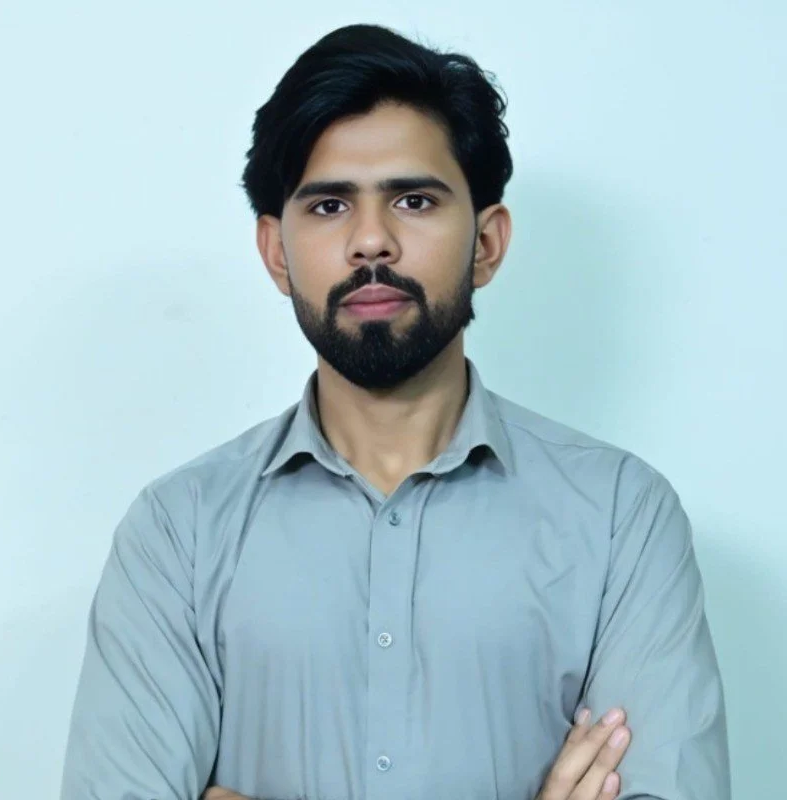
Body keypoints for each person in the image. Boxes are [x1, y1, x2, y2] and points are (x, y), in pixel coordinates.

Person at [59, 23, 731, 800]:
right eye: (328, 206)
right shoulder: (178, 532)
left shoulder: (622, 518)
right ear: (276, 252)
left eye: (414, 200)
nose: (370, 241)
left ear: (486, 241)